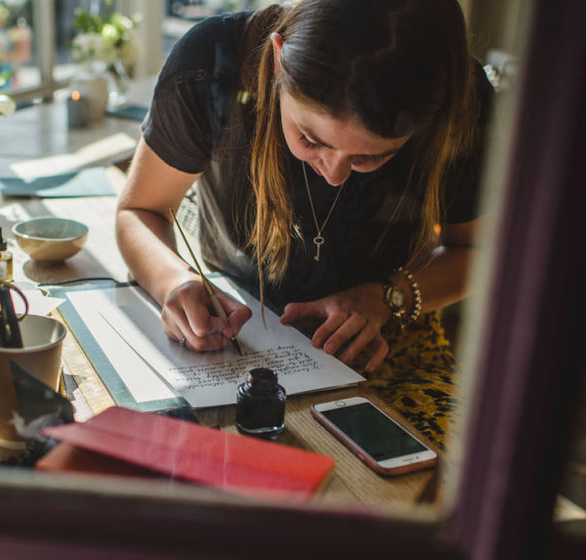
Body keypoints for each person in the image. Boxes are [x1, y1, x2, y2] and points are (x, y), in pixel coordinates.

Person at [115, 0, 492, 448]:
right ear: (277, 57)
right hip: (229, 336)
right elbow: (139, 210)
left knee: (439, 486)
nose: (334, 173)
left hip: (388, 341)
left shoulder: (463, 101)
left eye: (372, 156)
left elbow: (479, 253)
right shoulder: (211, 66)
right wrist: (173, 281)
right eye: (311, 138)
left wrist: (387, 296)